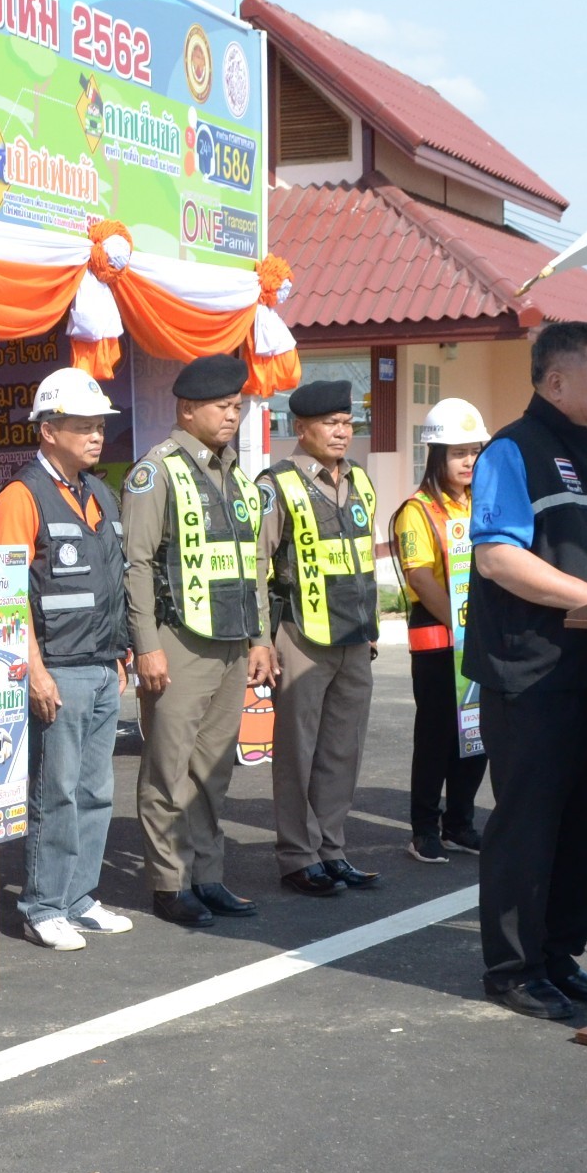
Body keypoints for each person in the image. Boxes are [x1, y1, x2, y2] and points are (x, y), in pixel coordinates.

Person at [466, 321, 587, 1020]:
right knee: (530, 825)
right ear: (557, 381)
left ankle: (560, 955)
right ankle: (515, 967)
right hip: (536, 671)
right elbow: (498, 558)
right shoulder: (515, 451)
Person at [122, 353, 275, 928]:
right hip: (178, 640)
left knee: (213, 770)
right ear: (187, 409)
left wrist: (260, 637)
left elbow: (253, 565)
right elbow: (137, 564)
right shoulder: (156, 471)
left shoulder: (235, 474)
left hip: (233, 640)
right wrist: (147, 645)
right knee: (169, 767)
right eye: (222, 406)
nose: (232, 415)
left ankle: (208, 876)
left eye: (237, 406)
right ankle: (169, 883)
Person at [0, 367, 133, 952]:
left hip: (100, 663)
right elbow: (7, 593)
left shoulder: (99, 492)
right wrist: (35, 670)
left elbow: (112, 582)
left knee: (97, 791)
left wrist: (117, 653)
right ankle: (43, 904)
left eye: (99, 426)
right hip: (57, 669)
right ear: (48, 430)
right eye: (82, 426)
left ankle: (79, 897)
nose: (96, 436)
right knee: (57, 792)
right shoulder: (21, 496)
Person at [255, 378, 384, 899]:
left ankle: (332, 849)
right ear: (301, 427)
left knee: (341, 750)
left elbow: (364, 561)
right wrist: (260, 640)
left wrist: (371, 627)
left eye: (347, 422)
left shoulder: (361, 480)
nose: (341, 432)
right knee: (297, 752)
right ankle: (297, 856)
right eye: (330, 423)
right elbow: (256, 565)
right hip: (301, 634)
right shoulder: (276, 484)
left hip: (354, 637)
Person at [393, 398, 492, 865]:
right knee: (436, 737)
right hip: (439, 638)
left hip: (480, 635)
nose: (469, 461)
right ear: (436, 456)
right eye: (458, 453)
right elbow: (419, 577)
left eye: (474, 451)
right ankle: (424, 829)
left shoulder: (482, 502)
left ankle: (460, 824)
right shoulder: (417, 510)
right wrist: (460, 620)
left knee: (476, 732)